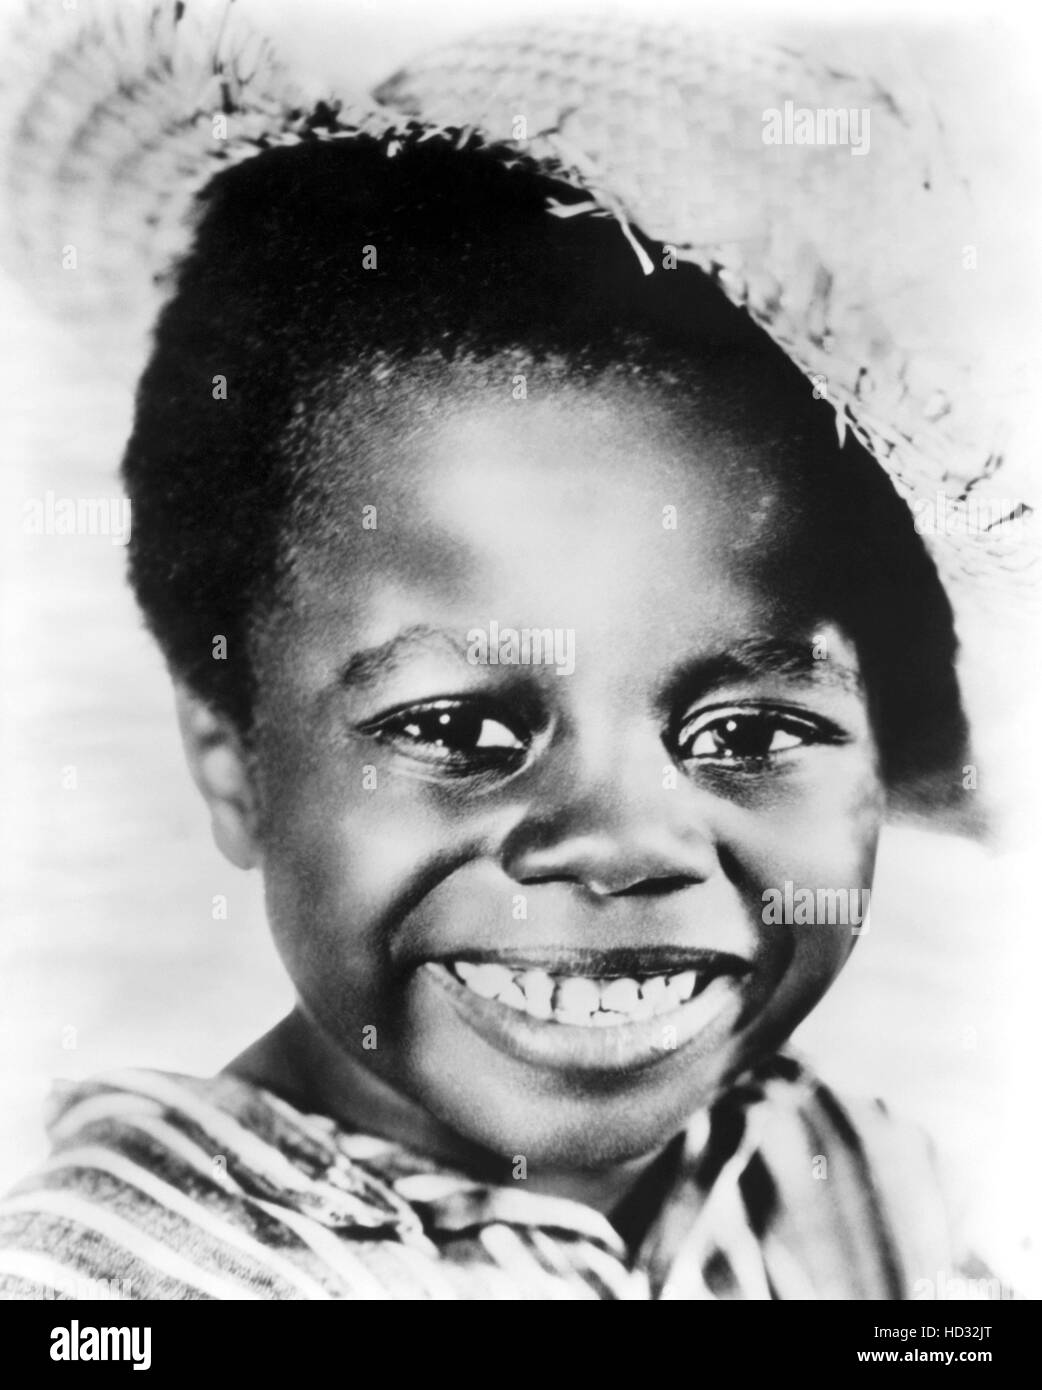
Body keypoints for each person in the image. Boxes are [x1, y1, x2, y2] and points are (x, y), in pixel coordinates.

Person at [0, 124, 985, 1299]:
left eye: (747, 734)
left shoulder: (860, 1183)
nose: (621, 843)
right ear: (231, 759)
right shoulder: (111, 1287)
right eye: (457, 731)